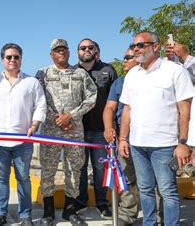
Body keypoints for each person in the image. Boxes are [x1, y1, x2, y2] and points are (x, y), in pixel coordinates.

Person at [118, 31, 193, 225]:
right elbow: (127, 109)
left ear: (156, 47)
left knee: (168, 191)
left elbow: (185, 110)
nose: (136, 49)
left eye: (140, 45)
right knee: (145, 189)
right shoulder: (132, 75)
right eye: (134, 46)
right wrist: (123, 139)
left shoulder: (174, 70)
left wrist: (183, 143)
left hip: (165, 145)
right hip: (137, 145)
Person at [0, 43, 47, 226]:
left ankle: (25, 215)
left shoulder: (32, 83)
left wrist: (34, 125)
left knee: (23, 178)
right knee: (1, 178)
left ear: (21, 59)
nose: (12, 60)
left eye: (16, 57)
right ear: (2, 60)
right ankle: (1, 213)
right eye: (9, 57)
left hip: (24, 140)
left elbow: (41, 105)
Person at [35, 39, 97, 225]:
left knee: (75, 170)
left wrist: (71, 116)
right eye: (57, 50)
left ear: (69, 52)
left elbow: (91, 97)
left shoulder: (80, 73)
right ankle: (48, 211)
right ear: (51, 54)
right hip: (50, 131)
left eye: (64, 49)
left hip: (74, 131)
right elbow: (39, 101)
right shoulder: (43, 74)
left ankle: (70, 210)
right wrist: (59, 120)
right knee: (48, 170)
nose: (61, 52)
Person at [75, 38, 118, 219]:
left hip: (102, 131)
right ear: (78, 52)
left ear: (96, 50)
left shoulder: (108, 70)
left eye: (90, 47)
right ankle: (81, 201)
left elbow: (116, 100)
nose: (86, 50)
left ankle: (102, 203)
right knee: (80, 167)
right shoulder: (72, 72)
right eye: (83, 48)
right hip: (77, 130)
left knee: (101, 169)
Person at [102, 48, 139, 225]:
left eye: (127, 57)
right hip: (125, 139)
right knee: (126, 178)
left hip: (151, 138)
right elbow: (110, 108)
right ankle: (127, 215)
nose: (124, 61)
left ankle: (157, 216)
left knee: (154, 181)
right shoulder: (119, 83)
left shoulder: (153, 77)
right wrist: (109, 128)